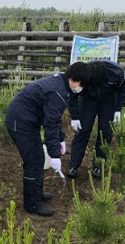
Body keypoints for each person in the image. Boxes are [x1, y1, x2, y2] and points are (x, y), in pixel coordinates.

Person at [5, 63, 90, 217]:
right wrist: (55, 155)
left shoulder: (61, 86)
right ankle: (32, 204)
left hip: (28, 120)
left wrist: (60, 139)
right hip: (20, 121)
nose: (80, 88)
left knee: (37, 158)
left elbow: (53, 118)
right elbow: (50, 124)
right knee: (34, 161)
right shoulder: (57, 92)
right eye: (81, 84)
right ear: (73, 79)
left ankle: (36, 193)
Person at [66, 60, 125, 180]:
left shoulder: (117, 73)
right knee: (82, 130)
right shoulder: (83, 73)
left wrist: (119, 109)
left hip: (108, 99)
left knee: (105, 132)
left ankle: (98, 166)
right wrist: (75, 117)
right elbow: (72, 95)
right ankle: (73, 165)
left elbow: (124, 91)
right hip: (88, 99)